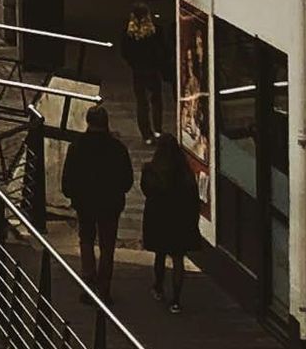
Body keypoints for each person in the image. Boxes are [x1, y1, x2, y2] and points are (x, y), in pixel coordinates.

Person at [59, 104, 133, 291]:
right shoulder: (117, 148)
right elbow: (127, 180)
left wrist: (71, 193)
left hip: (85, 202)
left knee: (86, 239)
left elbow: (68, 177)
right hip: (110, 203)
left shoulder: (77, 146)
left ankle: (88, 278)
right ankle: (104, 283)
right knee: (107, 245)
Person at [140, 132, 206, 311]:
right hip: (180, 221)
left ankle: (159, 287)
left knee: (159, 255)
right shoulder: (185, 174)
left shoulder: (151, 170)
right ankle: (176, 299)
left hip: (159, 220)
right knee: (178, 260)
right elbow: (193, 199)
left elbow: (146, 190)